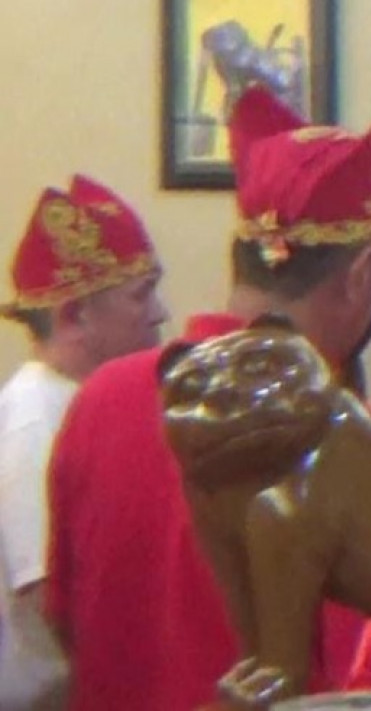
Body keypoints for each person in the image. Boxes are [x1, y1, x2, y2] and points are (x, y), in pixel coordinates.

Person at [43, 87, 371, 710]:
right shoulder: (351, 438)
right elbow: (364, 682)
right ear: (360, 274)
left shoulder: (100, 398)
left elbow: (62, 618)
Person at [0, 176, 166, 708]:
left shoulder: (88, 403)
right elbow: (49, 601)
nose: (160, 312)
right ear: (74, 317)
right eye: (141, 294)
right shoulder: (32, 420)